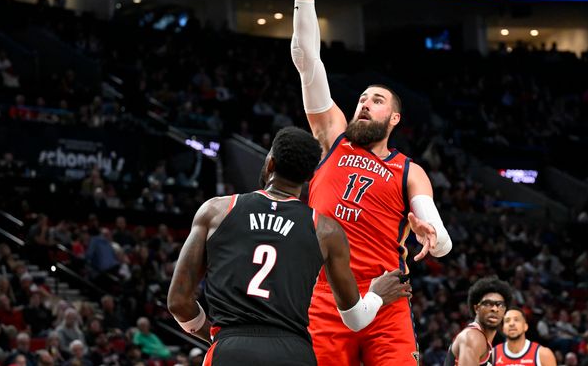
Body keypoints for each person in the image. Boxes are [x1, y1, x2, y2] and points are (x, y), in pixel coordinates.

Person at [270, 0, 452, 365]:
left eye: (376, 100)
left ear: (394, 117)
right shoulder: (332, 135)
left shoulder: (410, 169)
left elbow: (440, 239)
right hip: (326, 295)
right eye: (361, 99)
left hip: (387, 296)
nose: (364, 105)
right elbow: (305, 58)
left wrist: (434, 232)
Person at [167, 126, 410, 365]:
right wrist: (376, 295)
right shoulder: (326, 230)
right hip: (293, 352)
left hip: (231, 346)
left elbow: (178, 302)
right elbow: (356, 319)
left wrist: (214, 335)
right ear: (309, 177)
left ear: (270, 163)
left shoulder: (216, 211)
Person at [445, 277, 512, 366]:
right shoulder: (473, 337)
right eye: (488, 304)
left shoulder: (489, 342)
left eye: (500, 305)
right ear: (476, 308)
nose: (495, 309)